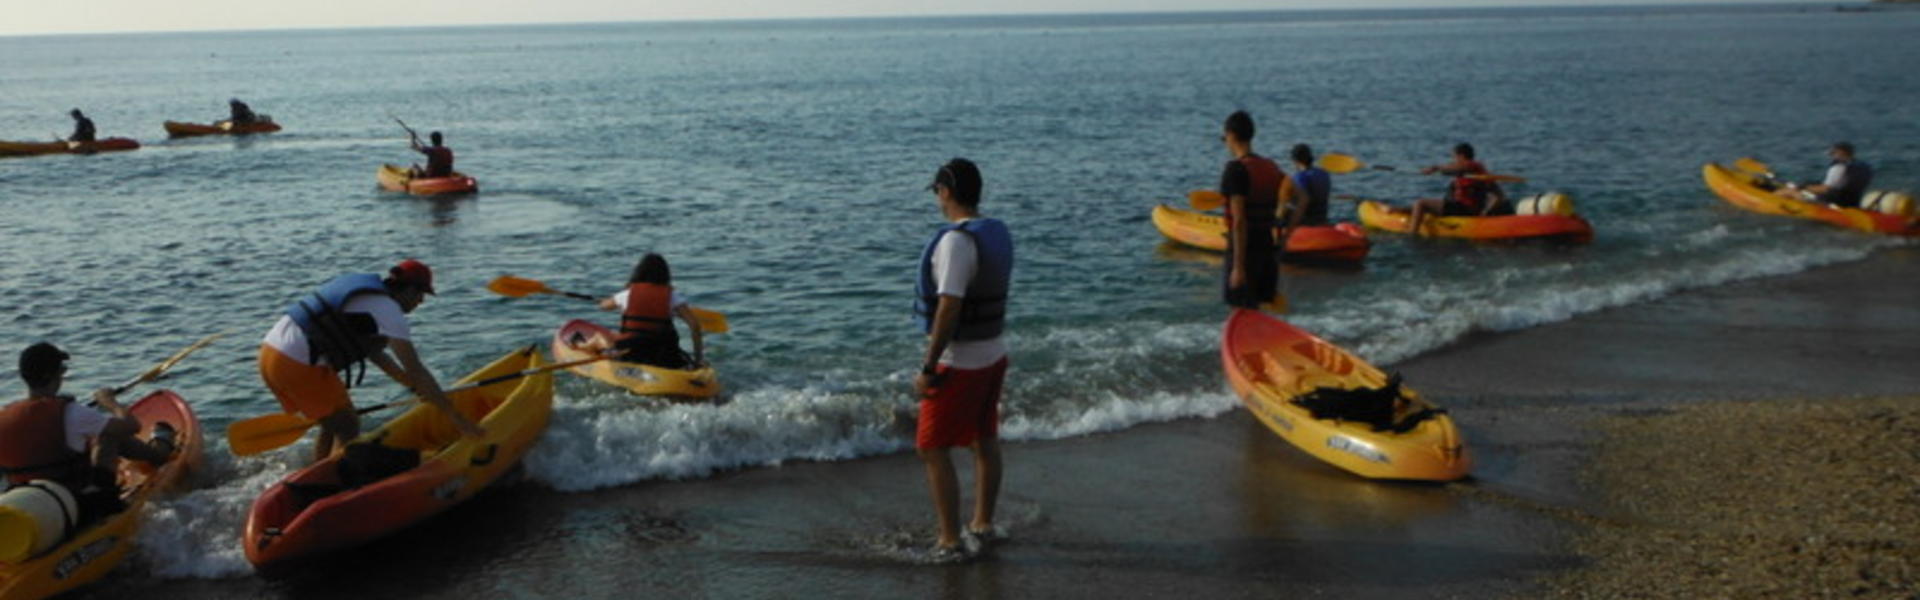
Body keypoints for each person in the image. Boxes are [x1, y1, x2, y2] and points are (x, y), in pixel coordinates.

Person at [257, 259, 484, 465]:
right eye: (420, 294)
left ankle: (317, 471)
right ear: (408, 290)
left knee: (334, 420)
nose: (420, 302)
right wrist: (456, 417)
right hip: (297, 363)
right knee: (348, 426)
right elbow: (417, 369)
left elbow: (375, 353)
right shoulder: (389, 311)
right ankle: (336, 484)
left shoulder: (370, 299)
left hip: (270, 354)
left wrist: (411, 385)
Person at [913, 158, 1013, 559]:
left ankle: (950, 541)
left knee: (931, 448)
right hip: (994, 353)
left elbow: (949, 308)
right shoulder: (995, 232)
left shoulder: (955, 242)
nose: (937, 198)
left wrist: (928, 367)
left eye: (937, 190)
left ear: (947, 192)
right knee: (983, 438)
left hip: (962, 361)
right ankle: (983, 523)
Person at [1, 343, 176, 526]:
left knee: (95, 432)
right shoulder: (70, 412)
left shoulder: (3, 417)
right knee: (108, 435)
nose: (63, 375)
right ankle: (159, 454)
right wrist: (109, 402)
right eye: (62, 369)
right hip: (83, 506)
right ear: (52, 375)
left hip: (28, 508)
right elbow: (131, 426)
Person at [1218, 111, 1290, 309]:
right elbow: (1298, 195)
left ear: (1231, 135)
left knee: (1240, 311)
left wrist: (1238, 268)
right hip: (1267, 248)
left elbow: (1240, 221)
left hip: (1245, 252)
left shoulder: (1235, 170)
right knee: (1258, 309)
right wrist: (1285, 238)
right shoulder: (1271, 167)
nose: (1225, 142)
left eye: (1224, 137)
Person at [595, 253, 705, 368]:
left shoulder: (627, 294)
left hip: (633, 351)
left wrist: (605, 301)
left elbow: (604, 306)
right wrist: (698, 359)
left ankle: (582, 346)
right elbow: (695, 326)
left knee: (600, 337)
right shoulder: (673, 296)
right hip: (664, 353)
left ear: (639, 273)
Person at [1408, 143, 1509, 235]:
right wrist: (1485, 212)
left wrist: (1435, 168)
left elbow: (1456, 168)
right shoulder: (1479, 171)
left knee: (1420, 203)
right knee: (1429, 205)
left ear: (1461, 156)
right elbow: (1499, 195)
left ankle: (1412, 234)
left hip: (1462, 209)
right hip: (1466, 209)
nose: (1454, 160)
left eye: (1454, 157)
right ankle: (1406, 211)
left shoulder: (1471, 166)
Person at [1778, 142, 1873, 208]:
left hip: (1834, 201)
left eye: (1833, 153)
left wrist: (1803, 188)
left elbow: (1826, 189)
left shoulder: (1838, 168)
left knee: (1789, 192)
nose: (1831, 156)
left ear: (1841, 153)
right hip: (1853, 201)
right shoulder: (1863, 166)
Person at [1285, 143, 1332, 228]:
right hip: (1322, 219)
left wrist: (1290, 227)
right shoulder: (1324, 173)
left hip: (1307, 222)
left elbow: (1303, 202)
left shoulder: (1300, 177)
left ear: (1295, 160)